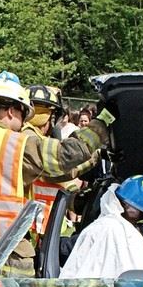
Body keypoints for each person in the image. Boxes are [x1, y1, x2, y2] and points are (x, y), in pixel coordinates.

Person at [0, 72, 111, 287]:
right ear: (12, 110)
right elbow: (67, 154)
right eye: (23, 114)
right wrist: (104, 121)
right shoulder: (19, 145)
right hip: (3, 264)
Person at [24, 85, 97, 233]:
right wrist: (95, 154)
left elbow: (56, 181)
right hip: (32, 226)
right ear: (50, 117)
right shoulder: (29, 140)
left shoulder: (28, 137)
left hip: (36, 225)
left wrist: (77, 199)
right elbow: (62, 166)